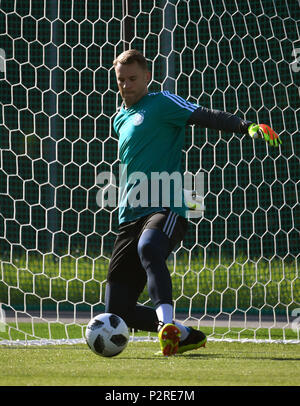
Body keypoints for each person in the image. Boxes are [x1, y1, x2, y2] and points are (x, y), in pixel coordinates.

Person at [104, 49, 282, 357]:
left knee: (149, 247)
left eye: (133, 78)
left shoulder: (162, 103)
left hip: (165, 207)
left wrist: (245, 126)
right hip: (128, 215)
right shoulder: (120, 119)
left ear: (147, 77)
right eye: (121, 79)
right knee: (117, 313)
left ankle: (167, 324)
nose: (126, 85)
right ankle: (184, 334)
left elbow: (204, 115)